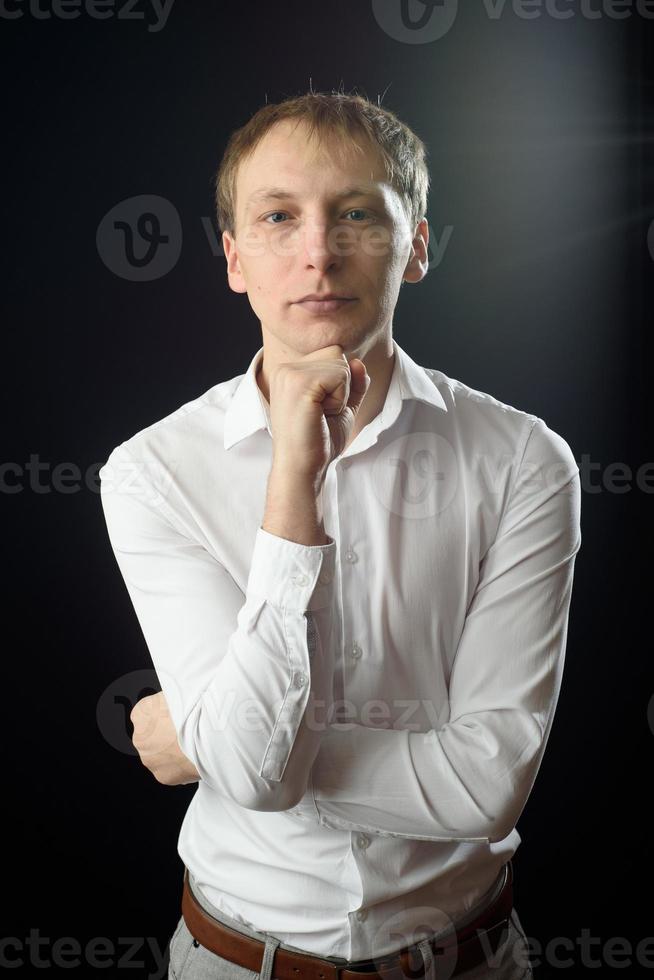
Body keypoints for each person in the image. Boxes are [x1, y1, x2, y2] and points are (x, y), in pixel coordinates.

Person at [99, 88, 582, 980]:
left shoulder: (525, 461)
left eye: (356, 213)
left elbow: (488, 784)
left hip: (470, 961)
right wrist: (293, 480)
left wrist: (211, 744)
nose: (318, 252)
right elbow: (256, 773)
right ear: (236, 260)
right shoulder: (151, 470)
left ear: (418, 246)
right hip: (233, 962)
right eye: (279, 217)